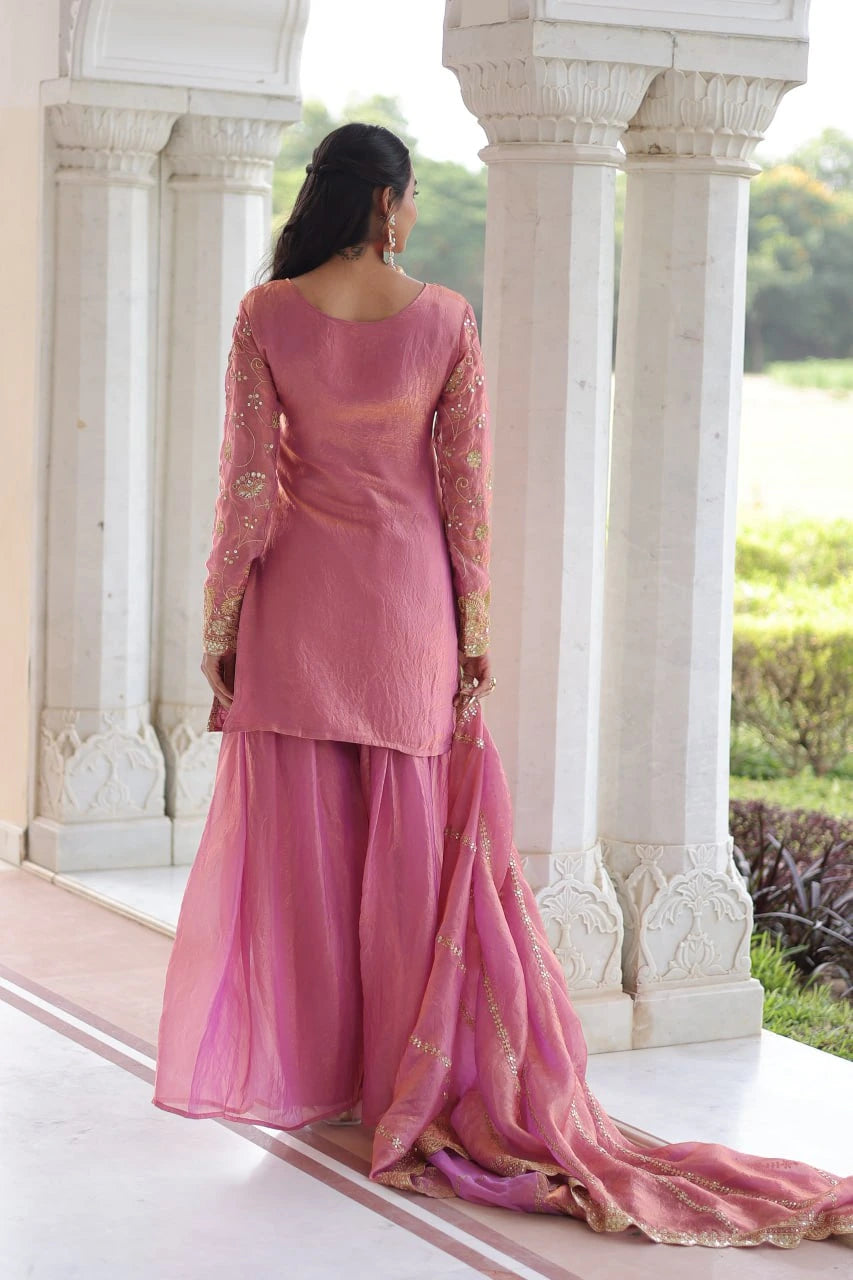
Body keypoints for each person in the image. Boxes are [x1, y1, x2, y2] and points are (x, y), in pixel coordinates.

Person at [152, 122, 853, 1248]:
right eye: (413, 198)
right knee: (410, 853)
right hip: (403, 613)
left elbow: (244, 486)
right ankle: (398, 1075)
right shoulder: (442, 319)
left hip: (297, 612)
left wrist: (220, 620)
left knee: (306, 852)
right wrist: (473, 630)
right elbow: (463, 493)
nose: (415, 215)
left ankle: (322, 1070)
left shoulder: (266, 313)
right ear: (386, 202)